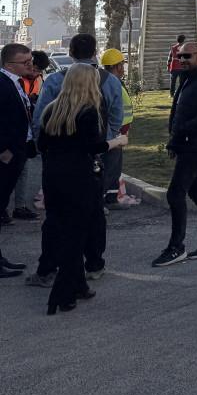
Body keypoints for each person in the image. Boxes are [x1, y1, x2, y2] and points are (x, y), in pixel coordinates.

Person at [29, 33, 123, 284]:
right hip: (91, 161)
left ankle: (48, 267)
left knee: (56, 217)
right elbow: (117, 116)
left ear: (70, 53)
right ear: (95, 52)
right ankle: (93, 264)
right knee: (92, 215)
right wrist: (108, 143)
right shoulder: (109, 82)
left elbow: (40, 123)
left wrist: (46, 151)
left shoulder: (54, 82)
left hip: (57, 163)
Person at [36, 64, 128, 314]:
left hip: (53, 177)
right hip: (80, 179)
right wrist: (117, 141)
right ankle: (63, 294)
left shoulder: (51, 110)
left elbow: (41, 144)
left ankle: (78, 285)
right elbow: (94, 147)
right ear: (89, 84)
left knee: (63, 229)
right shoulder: (88, 112)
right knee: (77, 235)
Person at [152, 42, 197, 267]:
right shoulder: (189, 78)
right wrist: (174, 140)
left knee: (175, 193)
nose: (182, 60)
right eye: (180, 56)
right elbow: (179, 111)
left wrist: (184, 132)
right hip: (186, 143)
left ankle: (176, 247)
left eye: (187, 56)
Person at [0, 43, 36, 277]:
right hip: (6, 156)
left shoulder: (15, 82)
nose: (30, 65)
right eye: (26, 62)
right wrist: (4, 150)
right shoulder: (2, 84)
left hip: (17, 152)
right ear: (10, 64)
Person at [11, 49, 50, 222]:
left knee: (23, 170)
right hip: (11, 134)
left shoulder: (39, 80)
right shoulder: (11, 81)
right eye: (33, 68)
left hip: (26, 133)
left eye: (38, 71)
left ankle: (19, 206)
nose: (34, 72)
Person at [98, 48, 134, 208]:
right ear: (118, 66)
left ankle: (111, 198)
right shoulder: (113, 84)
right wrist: (119, 134)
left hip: (113, 132)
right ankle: (103, 201)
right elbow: (117, 111)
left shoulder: (105, 81)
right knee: (110, 167)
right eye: (122, 64)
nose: (123, 68)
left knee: (112, 167)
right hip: (115, 133)